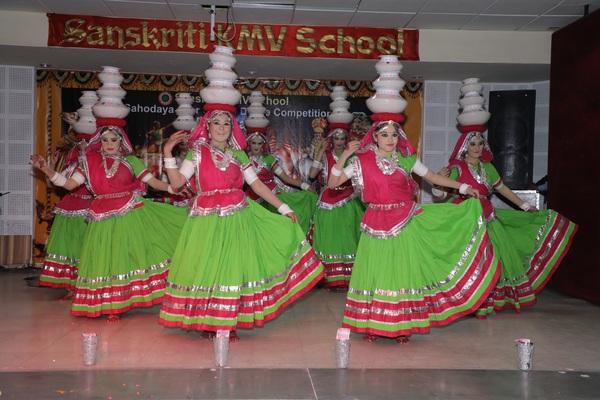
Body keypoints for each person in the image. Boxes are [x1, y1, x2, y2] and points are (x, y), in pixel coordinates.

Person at [157, 105, 324, 342]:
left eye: (227, 123)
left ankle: (227, 321)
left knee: (232, 266)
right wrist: (167, 151)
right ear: (207, 126)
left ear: (232, 128)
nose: (222, 128)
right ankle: (208, 320)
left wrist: (283, 207)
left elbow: (257, 186)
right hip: (205, 219)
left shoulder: (240, 155)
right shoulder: (197, 153)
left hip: (237, 216)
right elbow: (176, 184)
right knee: (208, 266)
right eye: (217, 123)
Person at [328, 117, 501, 344]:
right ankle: (373, 324)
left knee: (402, 271)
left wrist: (464, 186)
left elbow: (433, 177)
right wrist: (343, 157)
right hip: (376, 221)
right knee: (375, 271)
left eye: (394, 134)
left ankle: (401, 326)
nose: (390, 139)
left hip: (404, 219)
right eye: (385, 134)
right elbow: (333, 184)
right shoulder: (361, 161)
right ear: (375, 136)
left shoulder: (408, 160)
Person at [31, 120, 187, 322]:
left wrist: (171, 189)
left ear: (121, 141)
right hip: (100, 214)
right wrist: (47, 171)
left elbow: (153, 182)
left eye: (114, 139)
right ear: (99, 141)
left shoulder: (131, 161)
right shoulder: (88, 162)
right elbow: (69, 185)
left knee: (124, 257)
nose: (109, 143)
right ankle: (106, 300)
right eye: (105, 140)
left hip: (128, 213)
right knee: (104, 257)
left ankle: (119, 304)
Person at [432, 127, 578, 318]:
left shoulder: (488, 168)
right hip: (462, 219)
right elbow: (441, 194)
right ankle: (464, 300)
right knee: (466, 260)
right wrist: (437, 183)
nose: (477, 147)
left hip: (487, 217)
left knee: (490, 259)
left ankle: (484, 301)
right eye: (472, 144)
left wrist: (525, 207)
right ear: (464, 147)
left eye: (480, 143)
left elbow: (503, 190)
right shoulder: (456, 168)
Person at [308, 125, 366, 291]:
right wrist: (320, 151)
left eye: (342, 138)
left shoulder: (353, 157)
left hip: (349, 198)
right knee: (330, 237)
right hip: (328, 199)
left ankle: (349, 276)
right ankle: (330, 276)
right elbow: (312, 175)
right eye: (336, 138)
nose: (339, 142)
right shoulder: (325, 156)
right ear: (330, 139)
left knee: (348, 236)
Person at [38, 137, 92, 301]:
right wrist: (51, 167)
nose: (83, 151)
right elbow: (53, 184)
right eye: (81, 148)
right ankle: (71, 288)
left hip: (88, 210)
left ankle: (86, 288)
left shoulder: (95, 166)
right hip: (68, 210)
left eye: (86, 148)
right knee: (69, 250)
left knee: (84, 251)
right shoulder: (73, 167)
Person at [245, 129, 318, 236]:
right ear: (249, 144)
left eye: (259, 143)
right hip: (252, 200)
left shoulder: (269, 158)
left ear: (263, 144)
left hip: (272, 197)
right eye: (253, 143)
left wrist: (305, 186)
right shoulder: (244, 159)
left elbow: (285, 177)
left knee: (276, 231)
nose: (256, 146)